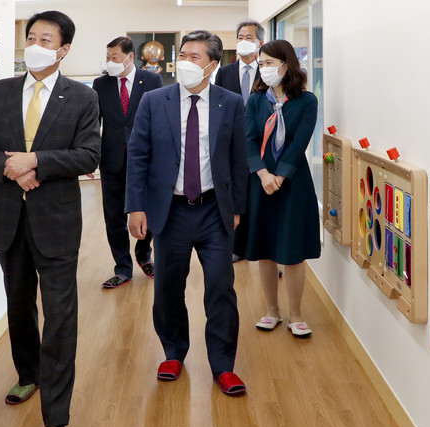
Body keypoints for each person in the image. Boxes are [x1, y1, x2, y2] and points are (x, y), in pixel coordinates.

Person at [0, 11, 100, 427]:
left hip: (56, 222)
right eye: (32, 37)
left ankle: (56, 418)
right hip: (10, 219)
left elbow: (89, 155)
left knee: (60, 316)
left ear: (63, 49)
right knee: (19, 305)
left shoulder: (82, 97)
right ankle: (28, 374)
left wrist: (36, 161)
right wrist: (12, 168)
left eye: (46, 40)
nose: (35, 46)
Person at [126, 30, 248, 395]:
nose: (185, 62)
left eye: (195, 57)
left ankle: (223, 365)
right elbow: (138, 155)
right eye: (183, 55)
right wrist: (135, 206)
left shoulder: (230, 103)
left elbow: (238, 159)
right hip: (170, 211)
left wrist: (237, 208)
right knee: (168, 287)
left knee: (220, 288)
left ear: (213, 65)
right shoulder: (154, 101)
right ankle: (173, 352)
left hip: (214, 210)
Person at [236, 39, 320, 337]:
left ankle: (296, 314)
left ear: (286, 64)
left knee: (293, 250)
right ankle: (272, 311)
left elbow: (299, 143)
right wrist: (262, 174)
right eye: (261, 63)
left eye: (269, 63)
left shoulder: (307, 101)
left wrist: (280, 176)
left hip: (293, 182)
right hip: (260, 182)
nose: (264, 69)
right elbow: (248, 139)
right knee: (265, 250)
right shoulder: (256, 100)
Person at [93, 37, 163, 289]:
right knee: (114, 217)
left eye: (114, 57)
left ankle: (144, 254)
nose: (109, 62)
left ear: (130, 56)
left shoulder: (152, 80)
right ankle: (122, 267)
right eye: (108, 58)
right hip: (111, 159)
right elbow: (94, 123)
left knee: (149, 211)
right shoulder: (101, 84)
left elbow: (159, 120)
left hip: (146, 160)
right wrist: (91, 157)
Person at [215, 20, 264, 263]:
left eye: (249, 37)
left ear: (260, 43)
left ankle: (262, 249)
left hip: (260, 143)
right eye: (240, 37)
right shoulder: (224, 73)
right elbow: (216, 106)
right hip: (231, 142)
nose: (243, 41)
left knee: (258, 196)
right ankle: (236, 246)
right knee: (235, 193)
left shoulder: (267, 72)